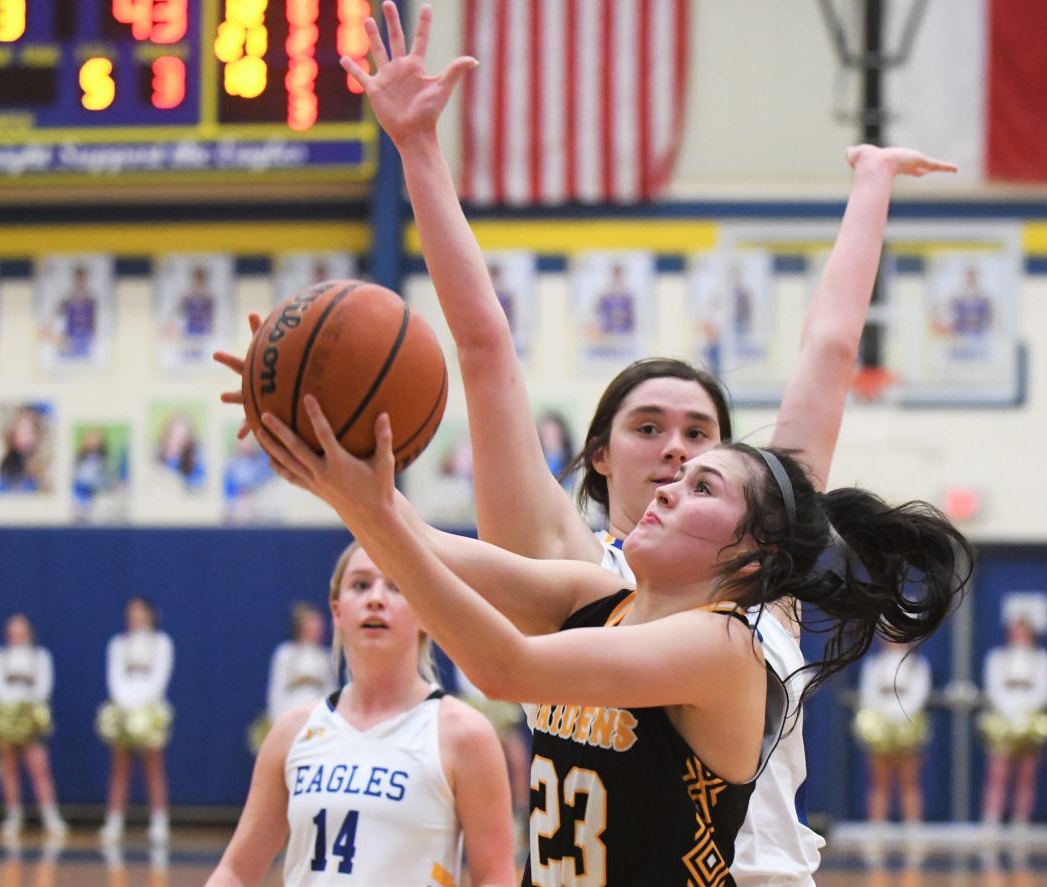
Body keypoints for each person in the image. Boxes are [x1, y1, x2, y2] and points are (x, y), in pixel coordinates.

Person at [211, 6, 957, 883]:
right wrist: (332, 472)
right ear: (599, 453)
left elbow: (829, 353)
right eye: (651, 430)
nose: (677, 459)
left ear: (754, 537)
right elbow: (479, 375)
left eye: (702, 444)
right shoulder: (590, 580)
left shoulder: (742, 623)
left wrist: (871, 183)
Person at [252, 386, 971, 881]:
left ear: (756, 555)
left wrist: (368, 508)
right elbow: (426, 544)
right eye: (680, 475)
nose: (666, 486)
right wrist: (321, 459)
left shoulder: (722, 647)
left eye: (703, 487)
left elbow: (502, 666)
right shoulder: (602, 596)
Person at [207, 541, 515, 887]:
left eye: (396, 586)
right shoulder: (293, 731)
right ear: (337, 611)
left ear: (427, 611)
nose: (376, 598)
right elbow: (237, 870)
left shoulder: (463, 733)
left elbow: (495, 878)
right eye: (361, 585)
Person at [0, 613, 67, 838]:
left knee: (38, 766)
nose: (17, 635)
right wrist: (10, 711)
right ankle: (13, 815)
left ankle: (50, 816)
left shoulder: (40, 657)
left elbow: (43, 687)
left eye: (21, 630)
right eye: (12, 631)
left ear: (29, 631)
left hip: (31, 718)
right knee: (7, 767)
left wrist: (27, 710)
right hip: (6, 716)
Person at [96, 596, 174, 846]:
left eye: (140, 612)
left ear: (150, 614)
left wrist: (143, 705)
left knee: (154, 767)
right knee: (119, 769)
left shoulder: (161, 643)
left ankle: (159, 822)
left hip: (150, 708)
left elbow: (161, 676)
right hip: (123, 707)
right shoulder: (118, 644)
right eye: (131, 613)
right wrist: (126, 705)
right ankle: (115, 821)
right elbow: (114, 678)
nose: (135, 617)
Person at [978, 596, 1047, 839]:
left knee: (1027, 772)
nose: (1018, 633)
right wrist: (1009, 712)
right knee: (998, 771)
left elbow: (1043, 690)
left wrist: (1025, 714)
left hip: (1030, 721)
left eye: (1023, 629)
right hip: (1003, 719)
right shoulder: (997, 658)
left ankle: (1021, 820)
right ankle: (992, 819)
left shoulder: (1042, 660)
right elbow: (993, 687)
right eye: (1015, 628)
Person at [853, 640, 932, 833]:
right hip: (881, 727)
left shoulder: (917, 665)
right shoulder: (873, 665)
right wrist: (883, 719)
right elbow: (868, 694)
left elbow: (920, 694)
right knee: (879, 782)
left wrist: (901, 716)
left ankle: (914, 831)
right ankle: (876, 829)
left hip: (908, 727)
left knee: (910, 782)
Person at [247, 603, 337, 754]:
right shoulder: (286, 653)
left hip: (318, 718)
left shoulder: (325, 657)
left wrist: (331, 719)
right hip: (291, 713)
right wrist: (278, 723)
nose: (318, 627)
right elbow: (276, 690)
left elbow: (331, 690)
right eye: (312, 623)